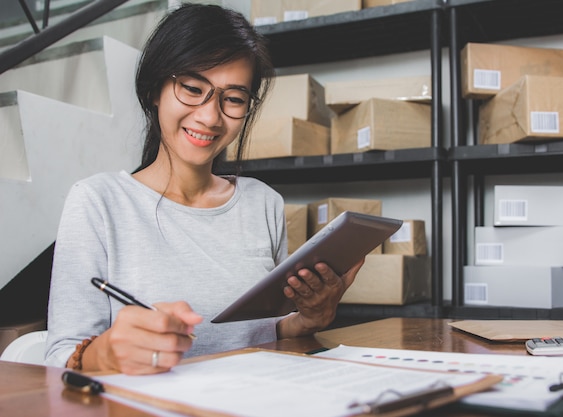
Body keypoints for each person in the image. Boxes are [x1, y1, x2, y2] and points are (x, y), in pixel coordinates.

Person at [45, 3, 363, 375]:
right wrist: (104, 354)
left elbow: (260, 335)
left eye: (233, 99)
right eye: (193, 88)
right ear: (155, 89)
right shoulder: (98, 203)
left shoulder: (263, 203)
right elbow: (57, 359)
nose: (210, 116)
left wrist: (308, 319)